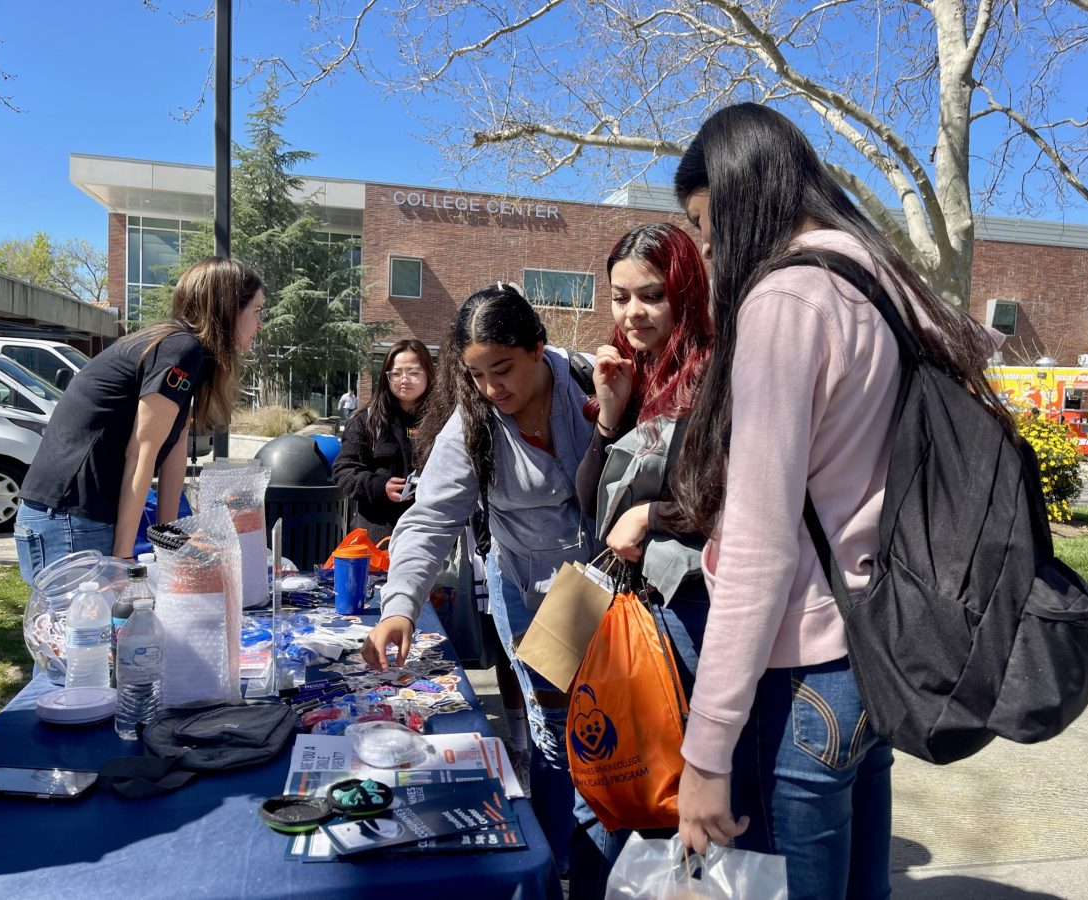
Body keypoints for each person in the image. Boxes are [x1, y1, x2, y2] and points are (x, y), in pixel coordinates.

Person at [670, 103, 1011, 898]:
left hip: (802, 674)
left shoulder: (785, 302)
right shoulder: (879, 277)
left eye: (705, 222)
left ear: (744, 193)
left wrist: (705, 752)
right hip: (878, 653)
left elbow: (760, 546)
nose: (708, 247)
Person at [359, 283, 600, 893]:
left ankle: (602, 847)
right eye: (476, 374)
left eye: (504, 368)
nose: (493, 388)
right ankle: (555, 865)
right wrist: (401, 606)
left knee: (611, 726)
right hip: (530, 590)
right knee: (555, 734)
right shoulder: (473, 424)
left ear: (539, 349)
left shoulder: (596, 385)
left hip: (609, 587)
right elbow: (431, 517)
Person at [573, 221, 713, 891]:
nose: (633, 313)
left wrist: (651, 515)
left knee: (668, 793)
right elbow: (590, 503)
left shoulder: (715, 372)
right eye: (620, 296)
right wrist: (612, 413)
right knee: (620, 786)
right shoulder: (644, 372)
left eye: (651, 296)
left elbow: (738, 496)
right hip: (642, 614)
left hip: (697, 615)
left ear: (685, 290)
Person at [15, 256, 263, 585]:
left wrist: (171, 542)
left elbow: (172, 447)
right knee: (90, 634)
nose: (261, 324)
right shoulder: (180, 348)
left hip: (71, 515)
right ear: (228, 308)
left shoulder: (187, 353)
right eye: (257, 312)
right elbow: (142, 452)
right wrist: (122, 559)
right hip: (70, 518)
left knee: (104, 632)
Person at [332, 340, 435, 542]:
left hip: (430, 534)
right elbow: (343, 471)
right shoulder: (365, 421)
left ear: (429, 374)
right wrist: (379, 486)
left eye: (414, 372)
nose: (404, 380)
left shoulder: (442, 421)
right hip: (378, 538)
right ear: (386, 377)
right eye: (396, 373)